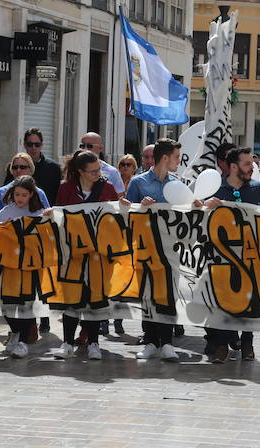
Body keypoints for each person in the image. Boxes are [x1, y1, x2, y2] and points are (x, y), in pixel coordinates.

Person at [203, 147, 260, 363]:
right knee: (222, 302)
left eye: (253, 163)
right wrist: (205, 206)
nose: (252, 167)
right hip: (221, 259)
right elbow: (198, 219)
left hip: (253, 257)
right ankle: (221, 344)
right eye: (247, 163)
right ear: (233, 167)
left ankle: (247, 343)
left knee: (251, 303)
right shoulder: (215, 189)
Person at [53, 150, 119, 361]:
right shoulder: (66, 188)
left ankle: (94, 343)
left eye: (99, 169)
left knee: (95, 299)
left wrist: (123, 208)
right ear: (80, 171)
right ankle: (67, 343)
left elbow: (115, 218)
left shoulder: (107, 188)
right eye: (92, 171)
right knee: (72, 299)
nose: (97, 174)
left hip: (98, 255)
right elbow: (59, 214)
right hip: (72, 252)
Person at [126, 138, 183, 362]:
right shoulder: (138, 183)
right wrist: (140, 207)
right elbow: (125, 212)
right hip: (144, 248)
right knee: (147, 295)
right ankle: (150, 341)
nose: (179, 161)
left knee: (168, 295)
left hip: (170, 249)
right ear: (166, 158)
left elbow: (183, 215)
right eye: (176, 157)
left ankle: (167, 343)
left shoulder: (177, 184)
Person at [0, 176, 46, 359]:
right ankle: (14, 331)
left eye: (24, 194)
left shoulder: (39, 213)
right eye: (17, 194)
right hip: (9, 265)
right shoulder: (5, 211)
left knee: (26, 304)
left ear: (32, 194)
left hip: (30, 266)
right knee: (6, 304)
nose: (20, 198)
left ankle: (23, 341)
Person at [6, 128, 62, 206]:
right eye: (30, 144)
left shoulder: (54, 168)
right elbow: (7, 190)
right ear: (24, 145)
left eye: (37, 144)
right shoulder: (15, 166)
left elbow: (59, 195)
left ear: (41, 145)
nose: (33, 148)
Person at [0, 154, 51, 219]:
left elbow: (47, 217)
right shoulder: (0, 193)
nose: (18, 170)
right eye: (15, 167)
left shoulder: (39, 193)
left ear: (31, 169)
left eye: (22, 167)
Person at [78, 132, 125, 196]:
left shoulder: (112, 172)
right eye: (82, 146)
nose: (85, 149)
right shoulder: (72, 168)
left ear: (100, 148)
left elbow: (119, 198)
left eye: (89, 146)